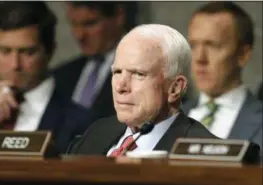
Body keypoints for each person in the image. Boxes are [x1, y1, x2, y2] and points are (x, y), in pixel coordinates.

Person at [68, 24, 218, 156]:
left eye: (139, 74)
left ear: (175, 88)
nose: (121, 87)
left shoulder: (205, 153)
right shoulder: (96, 133)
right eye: (117, 72)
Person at [0, 2, 93, 153]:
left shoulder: (80, 123)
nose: (14, 65)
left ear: (50, 51)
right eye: (5, 51)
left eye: (27, 52)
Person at [182, 2, 262, 149]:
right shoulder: (167, 120)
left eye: (213, 45)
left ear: (243, 55)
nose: (199, 58)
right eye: (193, 45)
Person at [51, 2, 133, 120]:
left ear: (119, 16)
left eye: (90, 24)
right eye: (74, 24)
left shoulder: (142, 71)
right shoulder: (60, 76)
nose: (79, 35)